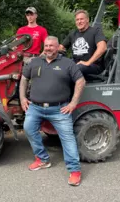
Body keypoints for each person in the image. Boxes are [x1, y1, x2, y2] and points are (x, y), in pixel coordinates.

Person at [20, 36, 86, 186]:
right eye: (46, 45)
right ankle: (42, 159)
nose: (48, 48)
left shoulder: (67, 63)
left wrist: (74, 102)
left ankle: (75, 171)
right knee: (29, 128)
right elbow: (24, 79)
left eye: (51, 46)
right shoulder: (35, 61)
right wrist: (23, 98)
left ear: (57, 48)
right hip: (35, 107)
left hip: (59, 109)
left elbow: (81, 81)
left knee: (67, 138)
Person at [60, 10, 107, 76]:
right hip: (77, 64)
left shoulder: (95, 31)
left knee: (75, 68)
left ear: (87, 20)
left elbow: (103, 47)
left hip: (93, 66)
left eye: (81, 19)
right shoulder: (73, 33)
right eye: (77, 20)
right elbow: (61, 47)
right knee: (58, 67)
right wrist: (47, 51)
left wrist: (88, 62)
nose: (79, 22)